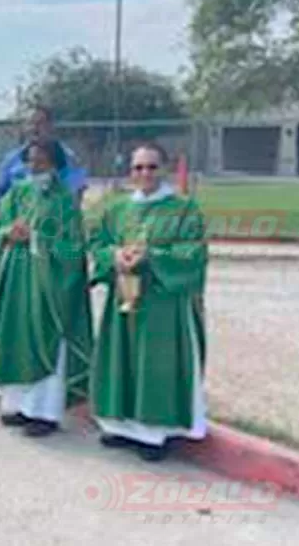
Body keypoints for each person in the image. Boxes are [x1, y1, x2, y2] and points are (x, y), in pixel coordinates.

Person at [89, 143, 209, 462]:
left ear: (164, 169)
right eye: (138, 167)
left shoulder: (184, 209)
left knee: (154, 364)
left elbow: (193, 253)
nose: (144, 174)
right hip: (123, 298)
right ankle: (120, 426)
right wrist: (114, 256)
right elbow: (97, 244)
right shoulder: (117, 209)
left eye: (152, 167)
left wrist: (152, 257)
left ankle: (154, 433)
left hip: (161, 305)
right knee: (122, 360)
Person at [0, 141, 92, 438]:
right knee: (15, 338)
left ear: (56, 165)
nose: (34, 167)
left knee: (43, 339)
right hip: (17, 280)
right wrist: (9, 233)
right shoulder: (17, 193)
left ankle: (44, 412)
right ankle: (17, 406)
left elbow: (73, 251)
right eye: (30, 161)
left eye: (42, 162)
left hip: (48, 289)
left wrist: (37, 239)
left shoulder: (64, 202)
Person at [0, 105, 87, 201]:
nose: (35, 128)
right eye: (30, 123)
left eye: (40, 123)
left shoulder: (67, 158)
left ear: (50, 126)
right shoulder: (12, 161)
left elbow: (76, 192)